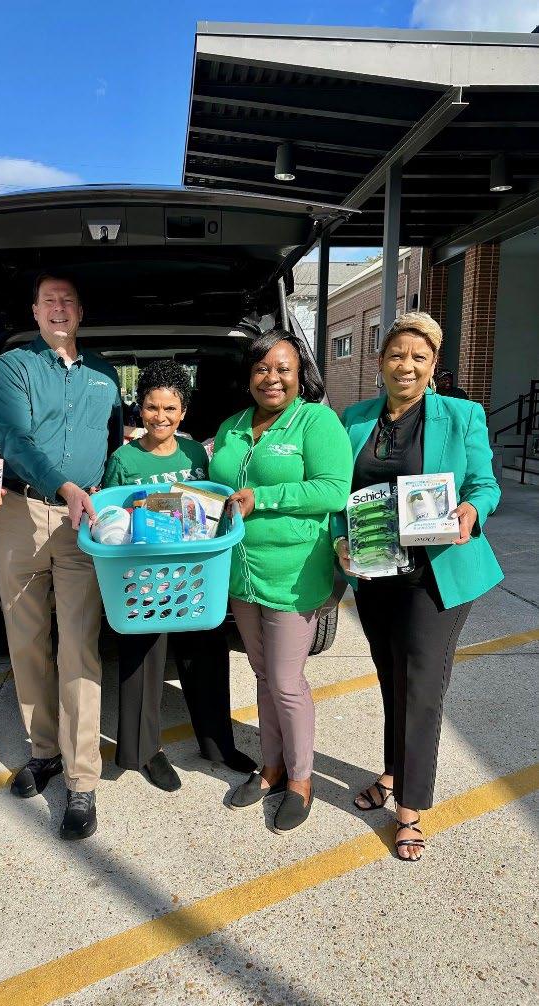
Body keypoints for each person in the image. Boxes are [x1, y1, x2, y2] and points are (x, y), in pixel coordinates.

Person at [333, 312, 503, 861]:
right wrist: (340, 541)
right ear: (380, 361)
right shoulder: (355, 418)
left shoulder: (462, 415)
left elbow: (484, 484)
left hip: (436, 574)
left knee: (421, 687)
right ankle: (392, 770)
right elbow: (338, 493)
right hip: (376, 572)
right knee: (392, 680)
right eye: (396, 355)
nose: (406, 366)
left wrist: (472, 511)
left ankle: (409, 808)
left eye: (419, 357)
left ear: (433, 367)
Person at [0, 272, 122, 841]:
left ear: (81, 312)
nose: (59, 309)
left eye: (68, 301)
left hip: (81, 522)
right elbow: (14, 440)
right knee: (26, 642)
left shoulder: (105, 376)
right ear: (36, 312)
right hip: (21, 513)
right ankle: (43, 751)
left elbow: (114, 446)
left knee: (79, 646)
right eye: (49, 301)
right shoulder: (16, 367)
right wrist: (63, 485)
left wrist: (108, 498)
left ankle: (82, 779)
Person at [209, 329, 352, 832]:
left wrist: (264, 498)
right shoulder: (232, 426)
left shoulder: (316, 420)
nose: (272, 378)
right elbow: (215, 486)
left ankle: (301, 779)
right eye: (261, 368)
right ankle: (270, 768)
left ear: (300, 375)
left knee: (287, 682)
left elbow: (333, 490)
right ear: (249, 375)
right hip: (241, 574)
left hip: (293, 575)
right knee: (262, 674)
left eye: (283, 368)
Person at [102, 360, 257, 791]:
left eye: (170, 408)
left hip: (193, 576)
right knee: (142, 659)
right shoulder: (123, 459)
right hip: (144, 579)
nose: (161, 417)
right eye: (152, 407)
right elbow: (111, 517)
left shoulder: (194, 454)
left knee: (206, 655)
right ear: (140, 408)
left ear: (184, 411)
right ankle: (145, 752)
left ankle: (217, 744)